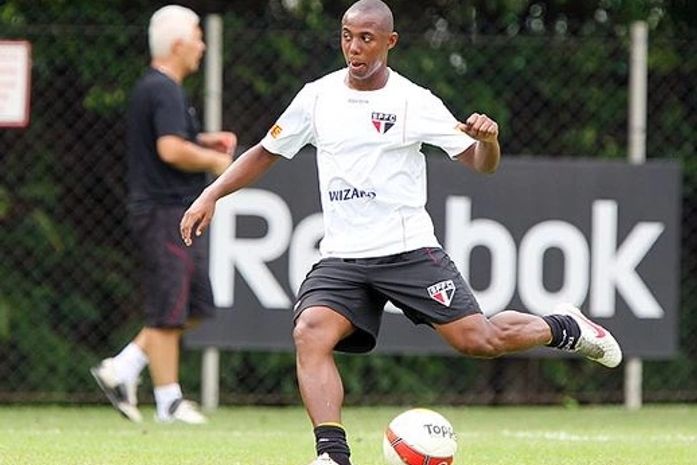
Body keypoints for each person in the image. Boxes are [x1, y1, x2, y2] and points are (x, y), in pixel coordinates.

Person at [180, 0, 622, 462]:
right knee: (310, 331)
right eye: (347, 36)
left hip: (407, 252)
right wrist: (212, 193)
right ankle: (332, 454)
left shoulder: (414, 101)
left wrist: (489, 142)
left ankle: (564, 326)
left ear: (389, 42)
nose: (354, 47)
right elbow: (265, 151)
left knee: (480, 341)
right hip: (343, 257)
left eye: (366, 38)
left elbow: (481, 164)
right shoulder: (316, 97)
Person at [91, 4, 236, 424]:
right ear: (177, 45)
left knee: (193, 306)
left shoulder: (162, 89)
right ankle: (167, 400)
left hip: (173, 210)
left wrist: (204, 140)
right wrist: (215, 161)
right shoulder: (162, 89)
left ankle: (125, 368)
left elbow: (174, 139)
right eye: (197, 37)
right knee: (169, 308)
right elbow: (170, 149)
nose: (202, 46)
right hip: (163, 211)